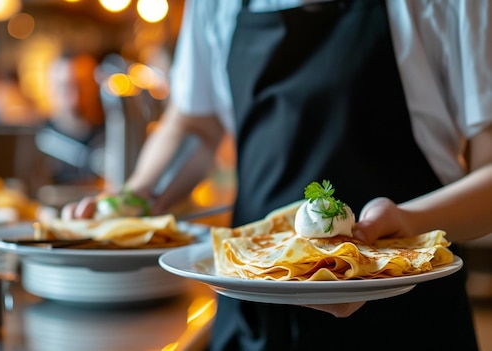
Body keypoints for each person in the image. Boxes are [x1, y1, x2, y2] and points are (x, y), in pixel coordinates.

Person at [62, 0, 492, 350]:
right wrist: (135, 197)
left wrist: (408, 224)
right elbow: (193, 122)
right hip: (251, 304)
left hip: (407, 315)